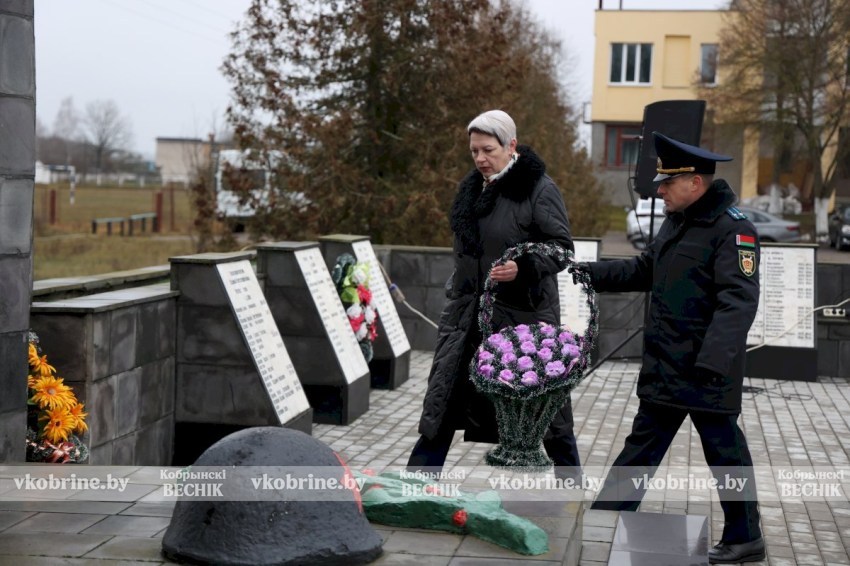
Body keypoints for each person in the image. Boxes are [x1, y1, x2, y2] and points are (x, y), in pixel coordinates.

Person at [574, 131, 764, 564]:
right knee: (640, 449)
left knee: (726, 455)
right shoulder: (677, 224)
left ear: (695, 183)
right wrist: (584, 271)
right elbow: (644, 270)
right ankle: (605, 523)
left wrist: (714, 362)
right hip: (665, 367)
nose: (659, 190)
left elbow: (738, 300)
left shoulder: (733, 230)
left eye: (667, 182)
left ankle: (746, 537)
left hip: (704, 372)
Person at [407, 109, 581, 480]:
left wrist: (524, 268)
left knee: (548, 414)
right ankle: (416, 484)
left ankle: (572, 487)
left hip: (524, 320)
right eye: (474, 151)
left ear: (511, 146)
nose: (481, 159)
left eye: (488, 150)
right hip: (468, 316)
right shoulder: (472, 189)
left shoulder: (539, 189)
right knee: (443, 401)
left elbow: (562, 248)